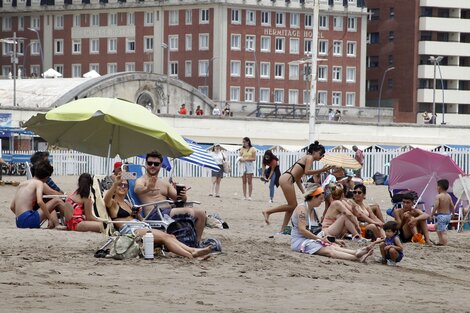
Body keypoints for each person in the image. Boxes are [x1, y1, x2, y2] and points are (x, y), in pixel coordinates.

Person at [105, 175, 212, 259]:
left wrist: (137, 215)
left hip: (140, 226)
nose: (123, 187)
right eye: (120, 185)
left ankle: (192, 250)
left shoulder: (128, 203)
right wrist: (115, 184)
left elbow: (140, 220)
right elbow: (106, 201)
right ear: (115, 188)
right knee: (165, 238)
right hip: (130, 230)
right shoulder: (113, 203)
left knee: (171, 237)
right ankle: (191, 254)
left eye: (125, 185)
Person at [290, 184, 375, 262]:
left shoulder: (313, 210)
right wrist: (319, 239)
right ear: (313, 197)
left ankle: (355, 252)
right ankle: (357, 258)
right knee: (329, 251)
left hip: (310, 239)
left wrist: (334, 240)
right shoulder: (302, 209)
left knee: (333, 245)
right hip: (300, 242)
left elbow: (315, 231)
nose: (322, 201)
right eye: (320, 198)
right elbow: (302, 230)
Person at [134, 150, 207, 242]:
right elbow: (137, 189)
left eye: (156, 164)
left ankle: (196, 242)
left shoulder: (164, 183)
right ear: (146, 164)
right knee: (194, 212)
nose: (152, 165)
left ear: (160, 165)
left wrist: (183, 195)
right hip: (154, 214)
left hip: (167, 212)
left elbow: (179, 199)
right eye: (150, 163)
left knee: (201, 214)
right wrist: (148, 188)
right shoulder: (142, 180)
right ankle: (193, 243)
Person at [262, 141, 332, 233]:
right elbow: (307, 172)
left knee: (291, 206)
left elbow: (298, 179)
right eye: (321, 153)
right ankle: (268, 211)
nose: (322, 156)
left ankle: (283, 230)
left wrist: (304, 193)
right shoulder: (310, 157)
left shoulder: (307, 158)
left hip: (287, 178)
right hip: (287, 179)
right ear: (315, 151)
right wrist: (322, 170)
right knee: (292, 205)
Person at [10, 160, 71, 229]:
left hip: (19, 222)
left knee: (49, 203)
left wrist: (22, 218)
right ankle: (73, 221)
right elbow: (40, 201)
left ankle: (61, 223)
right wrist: (50, 218)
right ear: (46, 177)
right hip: (28, 220)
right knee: (57, 200)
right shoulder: (39, 183)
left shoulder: (22, 184)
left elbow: (12, 207)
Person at [432, 179, 454, 246]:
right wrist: (453, 213)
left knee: (443, 231)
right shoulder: (448, 196)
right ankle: (441, 241)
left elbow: (436, 206)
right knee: (436, 226)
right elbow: (452, 205)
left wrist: (432, 214)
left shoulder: (438, 196)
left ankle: (445, 243)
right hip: (448, 215)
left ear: (439, 187)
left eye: (437, 186)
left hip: (441, 216)